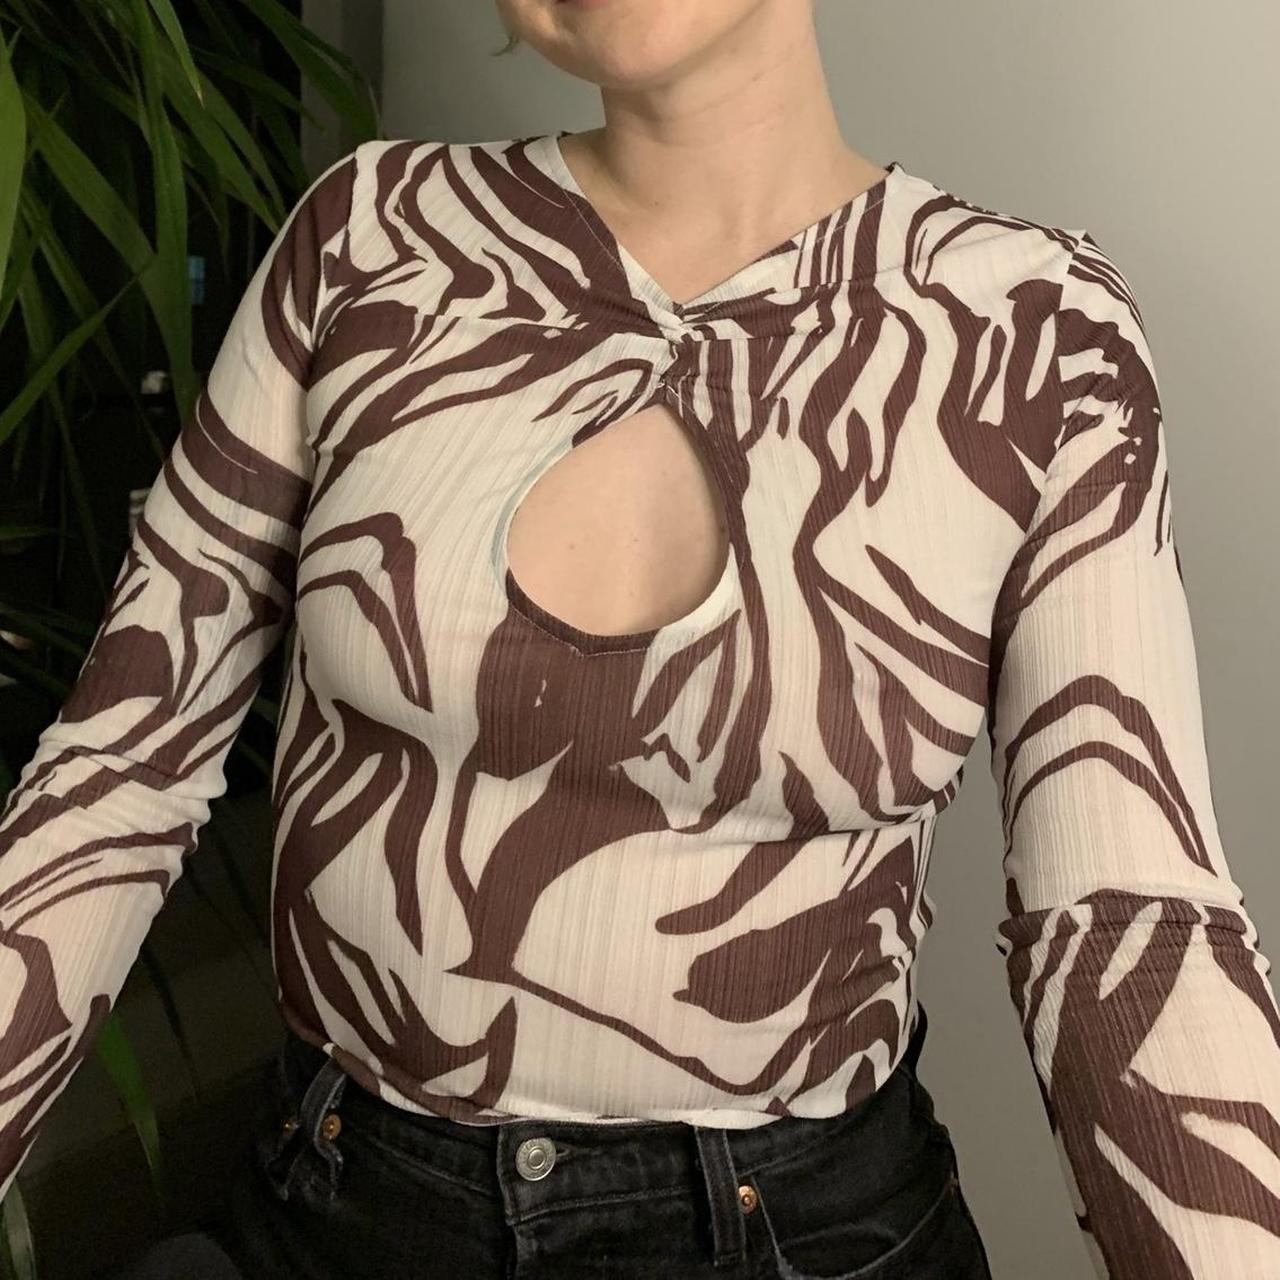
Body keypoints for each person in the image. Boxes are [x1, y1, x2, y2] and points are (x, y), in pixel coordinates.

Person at [3, 0, 1278, 1276]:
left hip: (812, 1231)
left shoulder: (1034, 330)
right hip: (344, 1206)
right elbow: (118, 771)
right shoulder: (368, 234)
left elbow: (1128, 917)